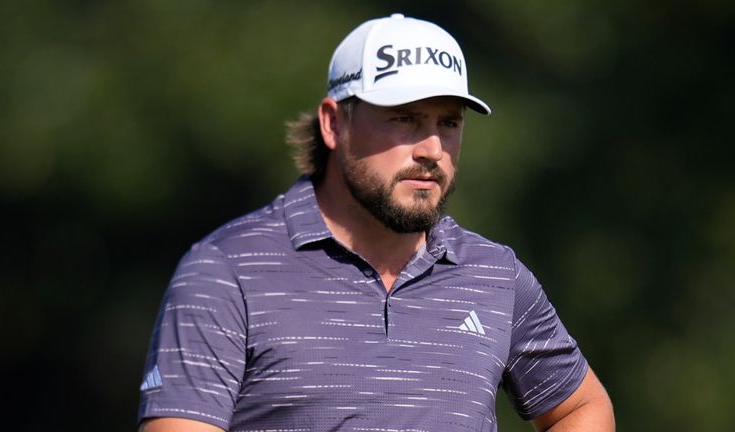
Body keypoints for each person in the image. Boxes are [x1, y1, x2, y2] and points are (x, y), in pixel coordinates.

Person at [137, 13, 615, 432]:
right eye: (404, 119)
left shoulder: (496, 275)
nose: (431, 149)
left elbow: (582, 407)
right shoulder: (226, 271)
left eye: (448, 123)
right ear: (333, 123)